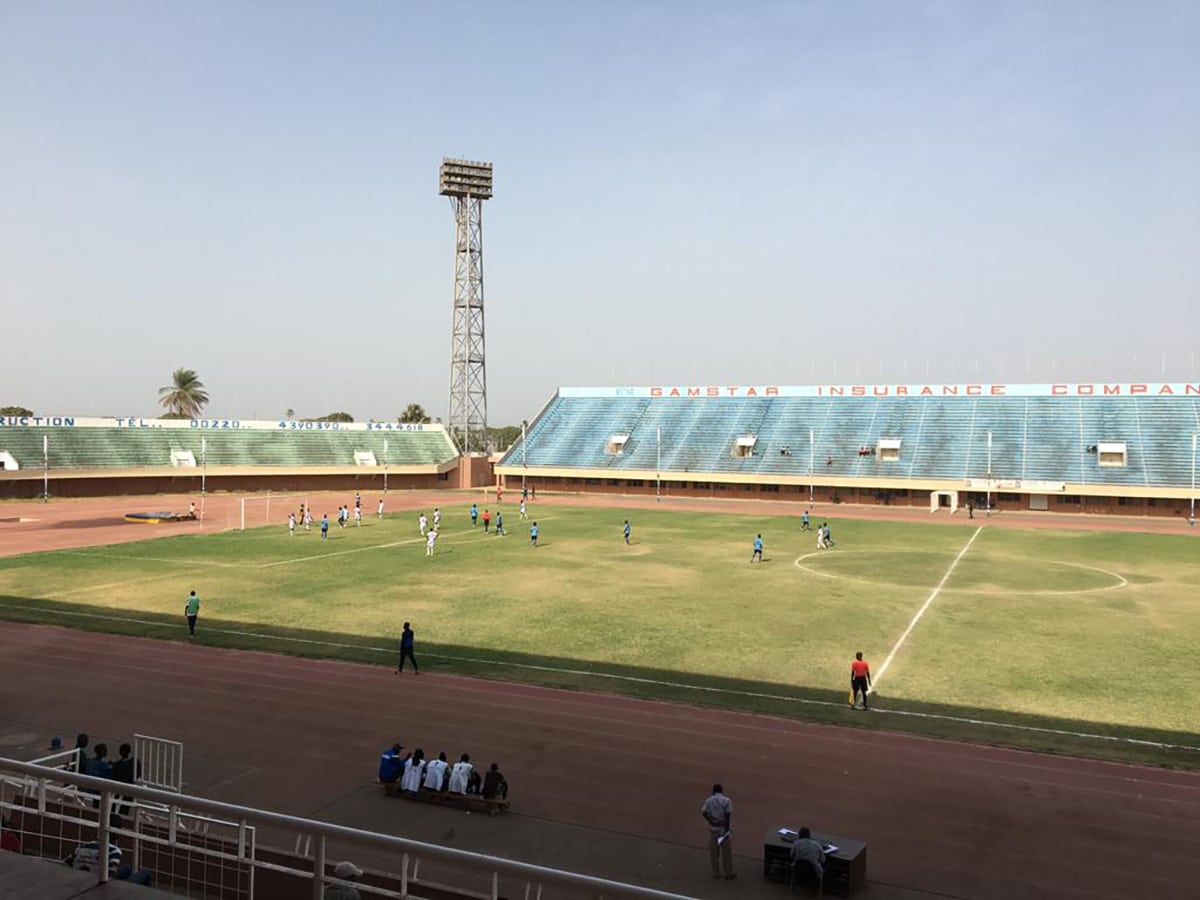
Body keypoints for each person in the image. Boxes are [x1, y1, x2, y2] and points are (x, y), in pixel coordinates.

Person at [701, 783, 735, 879]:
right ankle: (728, 873)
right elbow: (728, 816)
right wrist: (727, 829)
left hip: (713, 829)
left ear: (713, 791)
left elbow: (703, 812)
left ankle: (716, 872)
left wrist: (711, 821)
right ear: (721, 791)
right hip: (723, 830)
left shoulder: (709, 800)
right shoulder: (727, 800)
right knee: (726, 853)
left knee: (714, 853)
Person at [789, 826, 826, 890]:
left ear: (799, 835)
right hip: (814, 873)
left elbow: (791, 856)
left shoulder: (796, 843)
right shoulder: (817, 845)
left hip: (798, 871)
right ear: (809, 835)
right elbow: (823, 860)